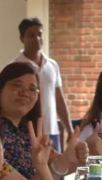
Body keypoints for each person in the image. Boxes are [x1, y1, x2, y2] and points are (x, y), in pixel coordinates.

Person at [0, 62, 54, 180]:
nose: (25, 93)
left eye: (32, 89)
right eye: (17, 85)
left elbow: (48, 177)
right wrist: (62, 164)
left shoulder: (28, 131)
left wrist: (73, 156)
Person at [13, 17, 71, 150]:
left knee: (56, 163)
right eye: (31, 35)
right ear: (22, 38)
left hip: (51, 131)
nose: (37, 38)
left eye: (40, 34)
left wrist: (69, 129)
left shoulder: (52, 65)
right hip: (26, 132)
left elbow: (59, 99)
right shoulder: (15, 66)